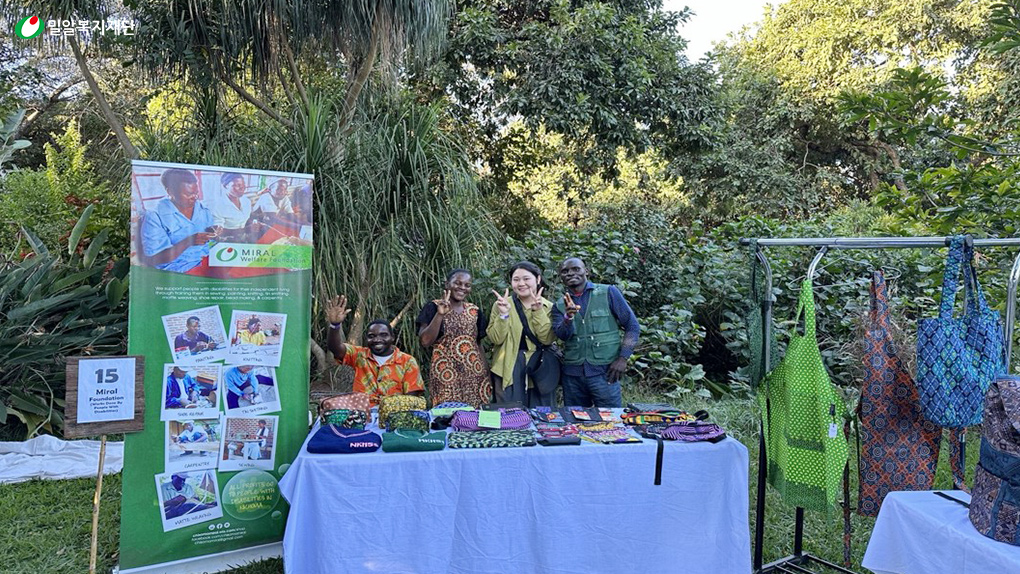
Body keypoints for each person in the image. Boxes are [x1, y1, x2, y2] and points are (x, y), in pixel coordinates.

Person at [551, 257, 640, 408]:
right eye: (565, 271)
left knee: (611, 419)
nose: (570, 273)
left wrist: (623, 358)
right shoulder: (559, 305)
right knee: (575, 419)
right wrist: (568, 317)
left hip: (605, 373)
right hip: (573, 376)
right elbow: (562, 335)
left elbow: (632, 326)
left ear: (586, 271)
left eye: (576, 269)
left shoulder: (608, 292)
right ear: (561, 277)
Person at [325, 295, 425, 406]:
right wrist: (335, 325)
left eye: (383, 335)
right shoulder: (359, 355)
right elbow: (335, 348)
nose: (377, 339)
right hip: (363, 412)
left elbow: (411, 398)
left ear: (392, 337)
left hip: (393, 413)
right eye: (371, 336)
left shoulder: (407, 361)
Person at [488, 261, 558, 406]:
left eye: (526, 279)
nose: (521, 283)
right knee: (509, 413)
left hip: (539, 367)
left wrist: (538, 311)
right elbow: (496, 339)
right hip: (508, 366)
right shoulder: (501, 304)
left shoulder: (548, 307)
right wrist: (503, 315)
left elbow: (546, 339)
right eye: (516, 279)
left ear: (538, 279)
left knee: (541, 413)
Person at [417, 269, 490, 406]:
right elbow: (425, 341)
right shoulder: (433, 307)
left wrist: (487, 375)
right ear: (447, 284)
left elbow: (478, 344)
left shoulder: (474, 311)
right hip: (445, 375)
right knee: (447, 414)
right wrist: (440, 314)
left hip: (474, 376)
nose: (462, 287)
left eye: (467, 285)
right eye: (457, 283)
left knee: (475, 415)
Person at [139, 168, 218, 273]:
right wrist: (188, 241)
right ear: (170, 192)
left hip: (208, 261)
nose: (194, 197)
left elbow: (211, 243)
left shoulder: (203, 209)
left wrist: (216, 233)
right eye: (188, 194)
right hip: (179, 270)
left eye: (196, 193)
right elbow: (154, 259)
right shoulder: (154, 216)